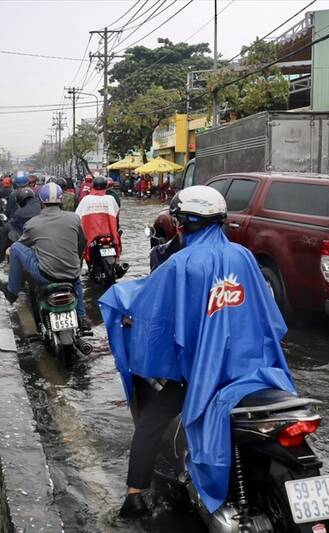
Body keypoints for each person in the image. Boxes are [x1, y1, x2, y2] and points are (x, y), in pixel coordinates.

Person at [98, 186, 295, 519]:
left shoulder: (182, 264)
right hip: (257, 373)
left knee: (151, 420)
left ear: (183, 224)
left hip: (208, 376)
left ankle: (134, 496)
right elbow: (270, 317)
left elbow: (149, 304)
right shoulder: (244, 256)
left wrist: (118, 305)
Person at [0, 182, 90, 331]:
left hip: (46, 275)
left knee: (16, 247)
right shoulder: (75, 218)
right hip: (72, 273)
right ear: (61, 200)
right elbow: (82, 242)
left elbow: (22, 244)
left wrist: (9, 250)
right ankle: (82, 317)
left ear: (41, 202)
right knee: (76, 280)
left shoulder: (33, 223)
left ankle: (12, 291)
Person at [75, 176, 122, 267]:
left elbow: (77, 217)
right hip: (109, 234)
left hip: (91, 237)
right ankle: (116, 263)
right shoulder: (110, 199)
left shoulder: (86, 199)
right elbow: (117, 215)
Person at [0, 187, 40, 263]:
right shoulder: (41, 204)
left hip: (29, 238)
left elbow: (12, 224)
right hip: (43, 239)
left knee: (6, 229)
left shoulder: (20, 212)